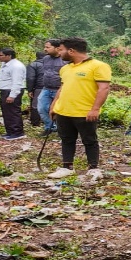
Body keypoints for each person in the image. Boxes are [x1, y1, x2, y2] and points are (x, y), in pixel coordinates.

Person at [47, 37, 111, 180]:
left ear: (71, 51)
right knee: (66, 139)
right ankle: (67, 167)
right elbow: (62, 87)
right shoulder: (65, 68)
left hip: (84, 112)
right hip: (64, 110)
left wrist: (95, 109)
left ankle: (93, 168)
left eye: (61, 50)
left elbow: (104, 88)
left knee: (89, 140)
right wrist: (53, 106)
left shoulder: (98, 66)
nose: (59, 52)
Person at [0, 47, 27, 140]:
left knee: (13, 112)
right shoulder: (5, 64)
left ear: (9, 56)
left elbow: (17, 82)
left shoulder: (16, 66)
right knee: (7, 112)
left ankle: (17, 132)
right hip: (5, 90)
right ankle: (10, 132)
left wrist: (12, 95)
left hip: (11, 91)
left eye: (0, 55)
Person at [38, 39, 65, 134]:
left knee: (60, 110)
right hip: (46, 88)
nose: (45, 49)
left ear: (57, 48)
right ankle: (49, 127)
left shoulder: (65, 60)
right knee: (42, 108)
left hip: (60, 89)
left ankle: (62, 129)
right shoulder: (46, 59)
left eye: (48, 47)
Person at [26, 51, 45, 128]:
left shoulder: (33, 65)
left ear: (36, 56)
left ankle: (35, 122)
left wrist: (30, 90)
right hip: (52, 86)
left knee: (35, 105)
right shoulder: (51, 63)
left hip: (38, 87)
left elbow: (30, 78)